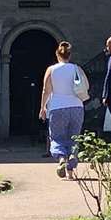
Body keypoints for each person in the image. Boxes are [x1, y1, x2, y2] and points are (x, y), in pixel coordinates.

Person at [39, 40, 87, 178]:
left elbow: (46, 90)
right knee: (74, 137)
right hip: (76, 106)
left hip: (57, 107)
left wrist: (43, 107)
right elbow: (86, 85)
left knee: (57, 137)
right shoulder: (77, 68)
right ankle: (71, 167)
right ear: (69, 55)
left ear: (57, 55)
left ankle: (61, 158)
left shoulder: (52, 70)